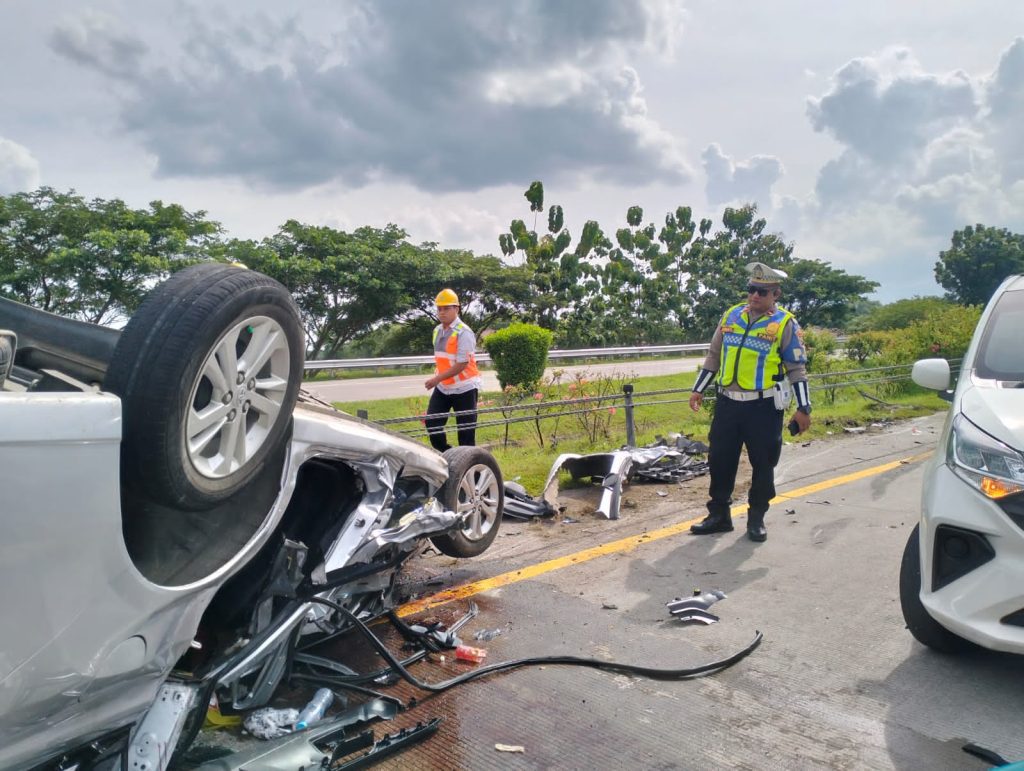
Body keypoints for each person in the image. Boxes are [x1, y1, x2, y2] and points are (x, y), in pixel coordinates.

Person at [687, 262, 812, 542]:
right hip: (728, 404)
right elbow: (714, 356)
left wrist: (804, 408)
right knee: (719, 460)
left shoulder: (784, 324)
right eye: (752, 290)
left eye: (762, 292)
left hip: (763, 408)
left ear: (775, 294)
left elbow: (797, 369)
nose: (755, 296)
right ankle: (719, 515)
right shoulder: (731, 315)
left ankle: (756, 518)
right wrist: (698, 390)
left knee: (764, 464)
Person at [423, 288, 482, 452]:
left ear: (456, 309)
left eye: (446, 308)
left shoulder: (464, 332)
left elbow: (462, 363)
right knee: (432, 423)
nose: (442, 312)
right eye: (439, 309)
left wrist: (437, 379)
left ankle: (471, 470)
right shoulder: (437, 330)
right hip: (444, 387)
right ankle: (448, 454)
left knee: (466, 434)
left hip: (465, 388)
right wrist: (440, 379)